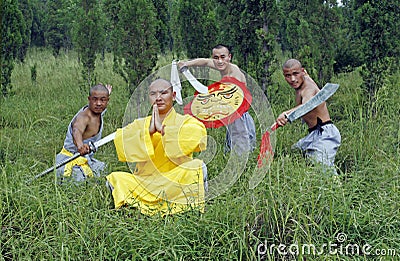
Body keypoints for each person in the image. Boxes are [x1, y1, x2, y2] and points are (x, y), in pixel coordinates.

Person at [106, 79, 207, 216]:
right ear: (149, 98)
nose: (158, 98)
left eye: (163, 93)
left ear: (173, 95)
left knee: (198, 167)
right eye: (153, 94)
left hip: (175, 181)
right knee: (114, 179)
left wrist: (163, 130)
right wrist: (148, 132)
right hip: (146, 183)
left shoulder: (185, 121)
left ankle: (185, 210)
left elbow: (198, 135)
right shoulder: (141, 124)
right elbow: (121, 140)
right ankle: (137, 212)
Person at [178, 44, 256, 155]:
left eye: (223, 57)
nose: (219, 61)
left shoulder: (234, 74)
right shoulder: (221, 65)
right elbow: (204, 62)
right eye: (216, 57)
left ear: (229, 57)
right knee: (232, 145)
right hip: (230, 115)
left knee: (242, 149)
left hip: (239, 115)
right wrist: (187, 64)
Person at [275, 59, 341, 173]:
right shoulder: (303, 80)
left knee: (323, 170)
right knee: (293, 155)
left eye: (295, 74)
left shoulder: (308, 89)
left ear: (302, 71)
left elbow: (308, 105)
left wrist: (286, 114)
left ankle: (338, 190)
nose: (293, 79)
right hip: (313, 134)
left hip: (325, 133)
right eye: (288, 75)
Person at [55, 83, 111, 183]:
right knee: (79, 183)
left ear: (107, 100)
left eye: (103, 100)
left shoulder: (97, 112)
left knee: (105, 170)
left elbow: (101, 107)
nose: (98, 103)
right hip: (69, 159)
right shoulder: (83, 116)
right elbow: (77, 130)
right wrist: (80, 146)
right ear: (89, 99)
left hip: (85, 158)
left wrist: (105, 92)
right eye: (95, 99)